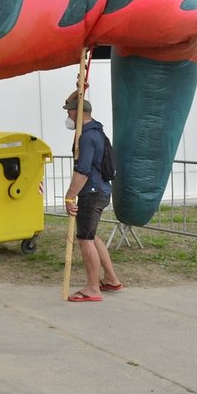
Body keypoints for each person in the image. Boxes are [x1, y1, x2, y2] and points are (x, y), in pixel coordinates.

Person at [62, 93, 123, 303]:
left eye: (69, 112)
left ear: (77, 113)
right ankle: (111, 279)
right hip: (102, 190)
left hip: (92, 192)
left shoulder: (87, 137)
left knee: (85, 239)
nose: (68, 116)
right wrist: (81, 87)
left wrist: (69, 197)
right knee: (92, 235)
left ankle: (92, 288)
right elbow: (76, 97)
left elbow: (83, 171)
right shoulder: (96, 129)